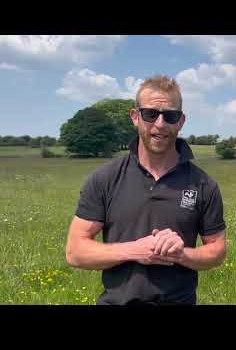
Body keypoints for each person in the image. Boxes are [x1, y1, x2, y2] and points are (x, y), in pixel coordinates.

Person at [66, 75, 227, 305]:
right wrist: (135, 250)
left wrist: (180, 254)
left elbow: (217, 252)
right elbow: (75, 252)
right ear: (135, 117)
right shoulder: (105, 179)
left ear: (180, 122)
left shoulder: (203, 184)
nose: (160, 124)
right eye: (150, 114)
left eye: (170, 116)